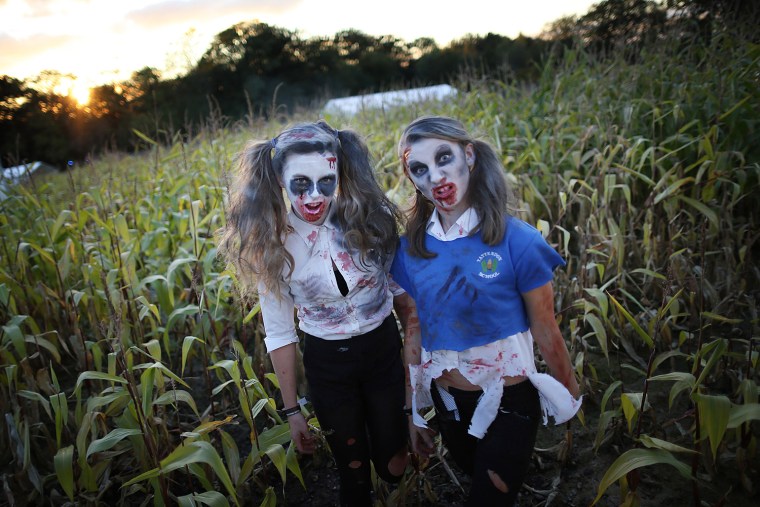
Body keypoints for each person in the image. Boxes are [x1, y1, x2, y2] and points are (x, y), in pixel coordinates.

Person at [390, 115, 582, 506]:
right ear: (412, 179)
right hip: (448, 404)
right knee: (479, 477)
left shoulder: (518, 240)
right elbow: (413, 329)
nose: (435, 176)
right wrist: (414, 411)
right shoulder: (409, 251)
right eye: (420, 169)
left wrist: (571, 394)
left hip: (511, 402)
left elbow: (545, 327)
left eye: (444, 158)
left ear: (470, 156)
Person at [219, 120, 410, 506]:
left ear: (339, 172)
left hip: (383, 352)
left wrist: (415, 380)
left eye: (325, 181)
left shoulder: (368, 220)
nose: (313, 196)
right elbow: (279, 332)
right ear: (277, 180)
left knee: (394, 465)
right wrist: (292, 411)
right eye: (300, 183)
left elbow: (406, 302)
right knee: (352, 473)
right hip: (328, 365)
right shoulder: (272, 242)